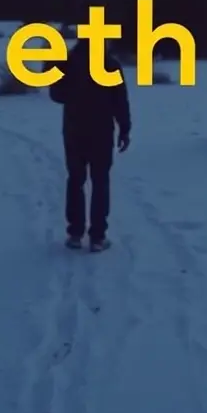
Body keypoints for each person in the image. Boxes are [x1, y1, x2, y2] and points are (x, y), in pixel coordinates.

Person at [48, 37, 131, 252]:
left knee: (76, 180)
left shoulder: (68, 63)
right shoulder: (110, 64)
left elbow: (57, 95)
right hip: (101, 131)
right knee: (100, 181)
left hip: (74, 130)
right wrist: (124, 128)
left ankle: (75, 233)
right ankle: (97, 237)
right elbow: (120, 100)